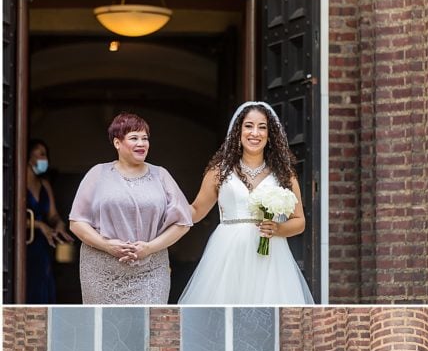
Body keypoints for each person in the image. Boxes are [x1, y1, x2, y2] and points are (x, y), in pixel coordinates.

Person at [179, 101, 313, 304]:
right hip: (228, 254)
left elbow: (299, 221)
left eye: (262, 127)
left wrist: (277, 228)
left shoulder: (284, 174)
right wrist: (167, 211)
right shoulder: (220, 171)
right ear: (238, 132)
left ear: (270, 135)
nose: (255, 133)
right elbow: (196, 210)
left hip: (271, 257)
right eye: (249, 126)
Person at [69, 113, 192, 303]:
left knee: (147, 327)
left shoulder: (161, 175)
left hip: (151, 269)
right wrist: (107, 245)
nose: (141, 143)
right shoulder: (97, 173)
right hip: (102, 271)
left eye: (145, 138)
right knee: (105, 327)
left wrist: (150, 248)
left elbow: (183, 223)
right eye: (134, 138)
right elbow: (77, 222)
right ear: (117, 143)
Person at [26, 139, 73, 303]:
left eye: (46, 155)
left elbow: (53, 215)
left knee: (43, 282)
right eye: (41, 154)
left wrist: (59, 225)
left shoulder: (45, 184)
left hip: (43, 244)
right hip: (23, 242)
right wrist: (38, 225)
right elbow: (11, 219)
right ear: (28, 155)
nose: (44, 159)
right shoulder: (15, 183)